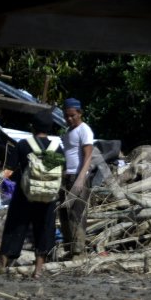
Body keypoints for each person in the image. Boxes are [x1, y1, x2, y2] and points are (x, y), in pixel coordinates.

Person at [0, 109, 63, 278]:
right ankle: (38, 270)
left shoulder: (23, 145)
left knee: (14, 227)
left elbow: (9, 171)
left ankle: (3, 265)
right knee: (44, 229)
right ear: (50, 128)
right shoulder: (57, 148)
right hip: (47, 197)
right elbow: (56, 172)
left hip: (24, 196)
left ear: (32, 127)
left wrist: (0, 179)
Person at [59, 97, 95, 259]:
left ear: (80, 113)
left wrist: (81, 179)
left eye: (72, 115)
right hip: (67, 176)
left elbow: (88, 156)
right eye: (66, 116)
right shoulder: (68, 131)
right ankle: (69, 248)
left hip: (78, 177)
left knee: (77, 214)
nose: (69, 119)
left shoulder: (84, 130)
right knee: (64, 214)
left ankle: (79, 252)